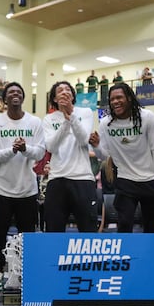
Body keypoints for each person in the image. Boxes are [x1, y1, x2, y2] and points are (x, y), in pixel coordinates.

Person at [0, 82, 44, 291]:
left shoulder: (35, 122)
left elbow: (39, 153)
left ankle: (24, 271)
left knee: (27, 233)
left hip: (27, 188)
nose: (15, 94)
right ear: (4, 98)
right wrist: (12, 150)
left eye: (19, 92)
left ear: (23, 97)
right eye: (11, 92)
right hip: (0, 188)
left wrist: (25, 148)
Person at [90, 83, 154, 233]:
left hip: (150, 179)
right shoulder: (106, 124)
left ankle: (148, 256)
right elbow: (105, 155)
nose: (115, 102)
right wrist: (97, 146)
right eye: (112, 99)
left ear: (129, 98)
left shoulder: (147, 117)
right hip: (125, 180)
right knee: (124, 224)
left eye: (119, 97)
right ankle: (126, 256)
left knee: (151, 227)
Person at [42, 81, 98, 233]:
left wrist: (71, 116)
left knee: (88, 230)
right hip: (57, 178)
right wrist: (66, 122)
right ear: (55, 98)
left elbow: (83, 139)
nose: (64, 92)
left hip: (83, 178)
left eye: (68, 89)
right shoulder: (48, 119)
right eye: (60, 90)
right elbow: (51, 147)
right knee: (53, 231)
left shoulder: (85, 112)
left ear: (73, 95)